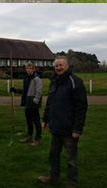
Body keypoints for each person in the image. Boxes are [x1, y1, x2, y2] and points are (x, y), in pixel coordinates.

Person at [38, 56, 88, 188]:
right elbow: (50, 102)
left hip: (69, 129)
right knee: (53, 154)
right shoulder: (53, 81)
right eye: (56, 66)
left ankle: (72, 183)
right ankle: (53, 177)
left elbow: (81, 107)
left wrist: (77, 128)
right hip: (55, 127)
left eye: (61, 65)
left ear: (67, 66)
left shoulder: (75, 81)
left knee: (71, 158)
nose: (59, 68)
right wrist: (45, 119)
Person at [10, 61, 43, 146]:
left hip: (33, 104)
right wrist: (15, 90)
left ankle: (38, 138)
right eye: (27, 68)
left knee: (36, 122)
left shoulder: (36, 79)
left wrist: (35, 101)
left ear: (33, 69)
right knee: (29, 121)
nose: (28, 70)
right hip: (27, 103)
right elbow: (25, 91)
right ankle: (29, 136)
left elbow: (38, 92)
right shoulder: (26, 79)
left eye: (30, 68)